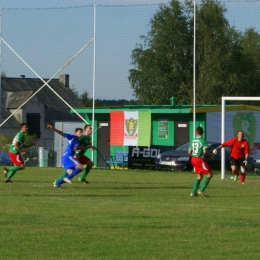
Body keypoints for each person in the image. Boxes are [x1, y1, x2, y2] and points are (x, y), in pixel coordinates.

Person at [47, 124, 84, 188]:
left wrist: (87, 147)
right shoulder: (72, 137)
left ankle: (57, 183)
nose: (81, 133)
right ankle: (66, 178)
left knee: (71, 172)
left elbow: (77, 148)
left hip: (66, 158)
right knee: (80, 167)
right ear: (75, 133)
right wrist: (53, 129)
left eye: (81, 132)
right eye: (79, 132)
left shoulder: (78, 141)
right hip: (68, 157)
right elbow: (62, 133)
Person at [188, 126, 215, 197]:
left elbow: (189, 152)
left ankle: (193, 192)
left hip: (193, 159)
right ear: (202, 132)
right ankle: (201, 190)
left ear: (196, 132)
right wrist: (211, 155)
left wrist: (194, 155)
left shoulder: (193, 140)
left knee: (199, 176)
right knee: (210, 174)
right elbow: (205, 151)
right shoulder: (203, 140)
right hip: (199, 159)